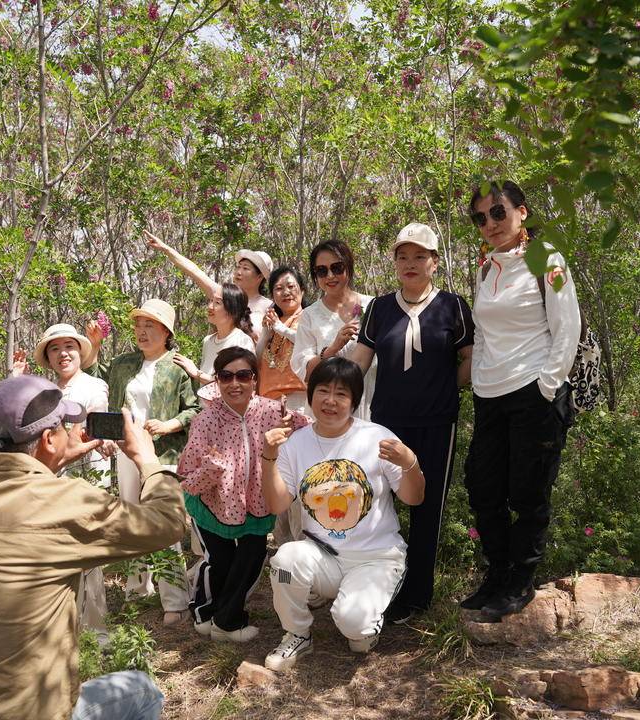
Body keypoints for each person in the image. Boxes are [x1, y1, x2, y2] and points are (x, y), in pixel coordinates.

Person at [0, 375, 186, 720]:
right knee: (143, 690)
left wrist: (53, 460)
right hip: (26, 712)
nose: (71, 431)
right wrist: (148, 461)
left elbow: (21, 502)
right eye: (64, 426)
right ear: (47, 439)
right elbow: (168, 523)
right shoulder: (66, 502)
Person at [461, 180, 580, 621]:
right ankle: (497, 573)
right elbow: (486, 335)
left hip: (534, 390)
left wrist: (548, 387)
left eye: (497, 212)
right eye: (480, 218)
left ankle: (520, 580)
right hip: (490, 394)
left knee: (528, 492)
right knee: (484, 486)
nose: (489, 223)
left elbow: (567, 326)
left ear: (522, 212)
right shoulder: (486, 266)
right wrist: (480, 383)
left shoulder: (547, 260)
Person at [260, 358, 425, 671]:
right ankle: (297, 633)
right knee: (283, 562)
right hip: (324, 556)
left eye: (341, 394)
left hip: (375, 558)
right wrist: (268, 459)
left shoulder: (377, 437)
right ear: (310, 396)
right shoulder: (296, 443)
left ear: (354, 402)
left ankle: (362, 615)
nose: (330, 401)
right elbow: (277, 506)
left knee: (356, 632)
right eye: (323, 391)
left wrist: (410, 462)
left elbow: (414, 497)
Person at [349, 223, 474, 624]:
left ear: (434, 262)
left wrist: (440, 388)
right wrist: (332, 397)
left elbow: (469, 360)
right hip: (385, 424)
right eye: (403, 256)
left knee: (427, 510)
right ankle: (373, 587)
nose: (410, 263)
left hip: (437, 424)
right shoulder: (380, 309)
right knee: (381, 506)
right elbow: (360, 364)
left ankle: (416, 596)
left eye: (420, 256)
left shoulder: (454, 307)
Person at [177, 347, 310, 642]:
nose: (234, 383)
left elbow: (308, 430)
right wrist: (212, 468)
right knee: (220, 562)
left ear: (254, 379)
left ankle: (227, 622)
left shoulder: (272, 410)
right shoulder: (204, 422)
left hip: (257, 504)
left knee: (251, 559)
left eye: (243, 375)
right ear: (217, 381)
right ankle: (205, 611)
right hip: (212, 506)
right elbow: (189, 482)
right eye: (225, 376)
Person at [14, 323, 114, 644]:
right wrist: (17, 380)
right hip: (55, 478)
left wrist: (106, 439)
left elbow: (99, 420)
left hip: (87, 474)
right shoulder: (46, 392)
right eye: (54, 349)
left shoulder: (94, 384)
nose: (63, 354)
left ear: (80, 352)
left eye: (69, 346)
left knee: (88, 553)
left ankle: (95, 628)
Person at [106, 299, 200, 624]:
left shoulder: (177, 367)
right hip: (127, 451)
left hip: (164, 453)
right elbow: (108, 402)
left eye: (150, 325)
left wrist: (170, 424)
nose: (142, 331)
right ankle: (137, 590)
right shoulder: (122, 364)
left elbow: (195, 408)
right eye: (138, 325)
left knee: (163, 523)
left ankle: (175, 600)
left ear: (166, 331)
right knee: (131, 518)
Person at [290, 240, 376, 420]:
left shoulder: (372, 306)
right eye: (321, 271)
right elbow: (303, 369)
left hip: (369, 402)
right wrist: (332, 350)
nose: (330, 276)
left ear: (348, 267)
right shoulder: (309, 315)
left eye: (337, 268)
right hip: (328, 407)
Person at [258, 266, 310, 544]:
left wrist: (278, 327)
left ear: (302, 290)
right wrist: (267, 332)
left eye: (291, 286)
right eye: (279, 288)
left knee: (299, 473)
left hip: (298, 404)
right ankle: (282, 545)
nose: (286, 292)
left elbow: (305, 344)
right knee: (276, 473)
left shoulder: (309, 318)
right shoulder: (273, 324)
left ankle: (303, 545)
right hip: (268, 406)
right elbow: (257, 360)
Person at [143, 229, 273, 338]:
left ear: (260, 277)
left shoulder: (269, 307)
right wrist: (166, 249)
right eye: (238, 267)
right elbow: (194, 271)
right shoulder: (222, 295)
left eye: (245, 268)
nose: (238, 272)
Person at [172, 282, 256, 390]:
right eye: (211, 300)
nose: (210, 306)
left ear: (232, 310)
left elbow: (239, 386)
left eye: (217, 302)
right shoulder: (208, 341)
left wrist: (196, 373)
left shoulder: (242, 342)